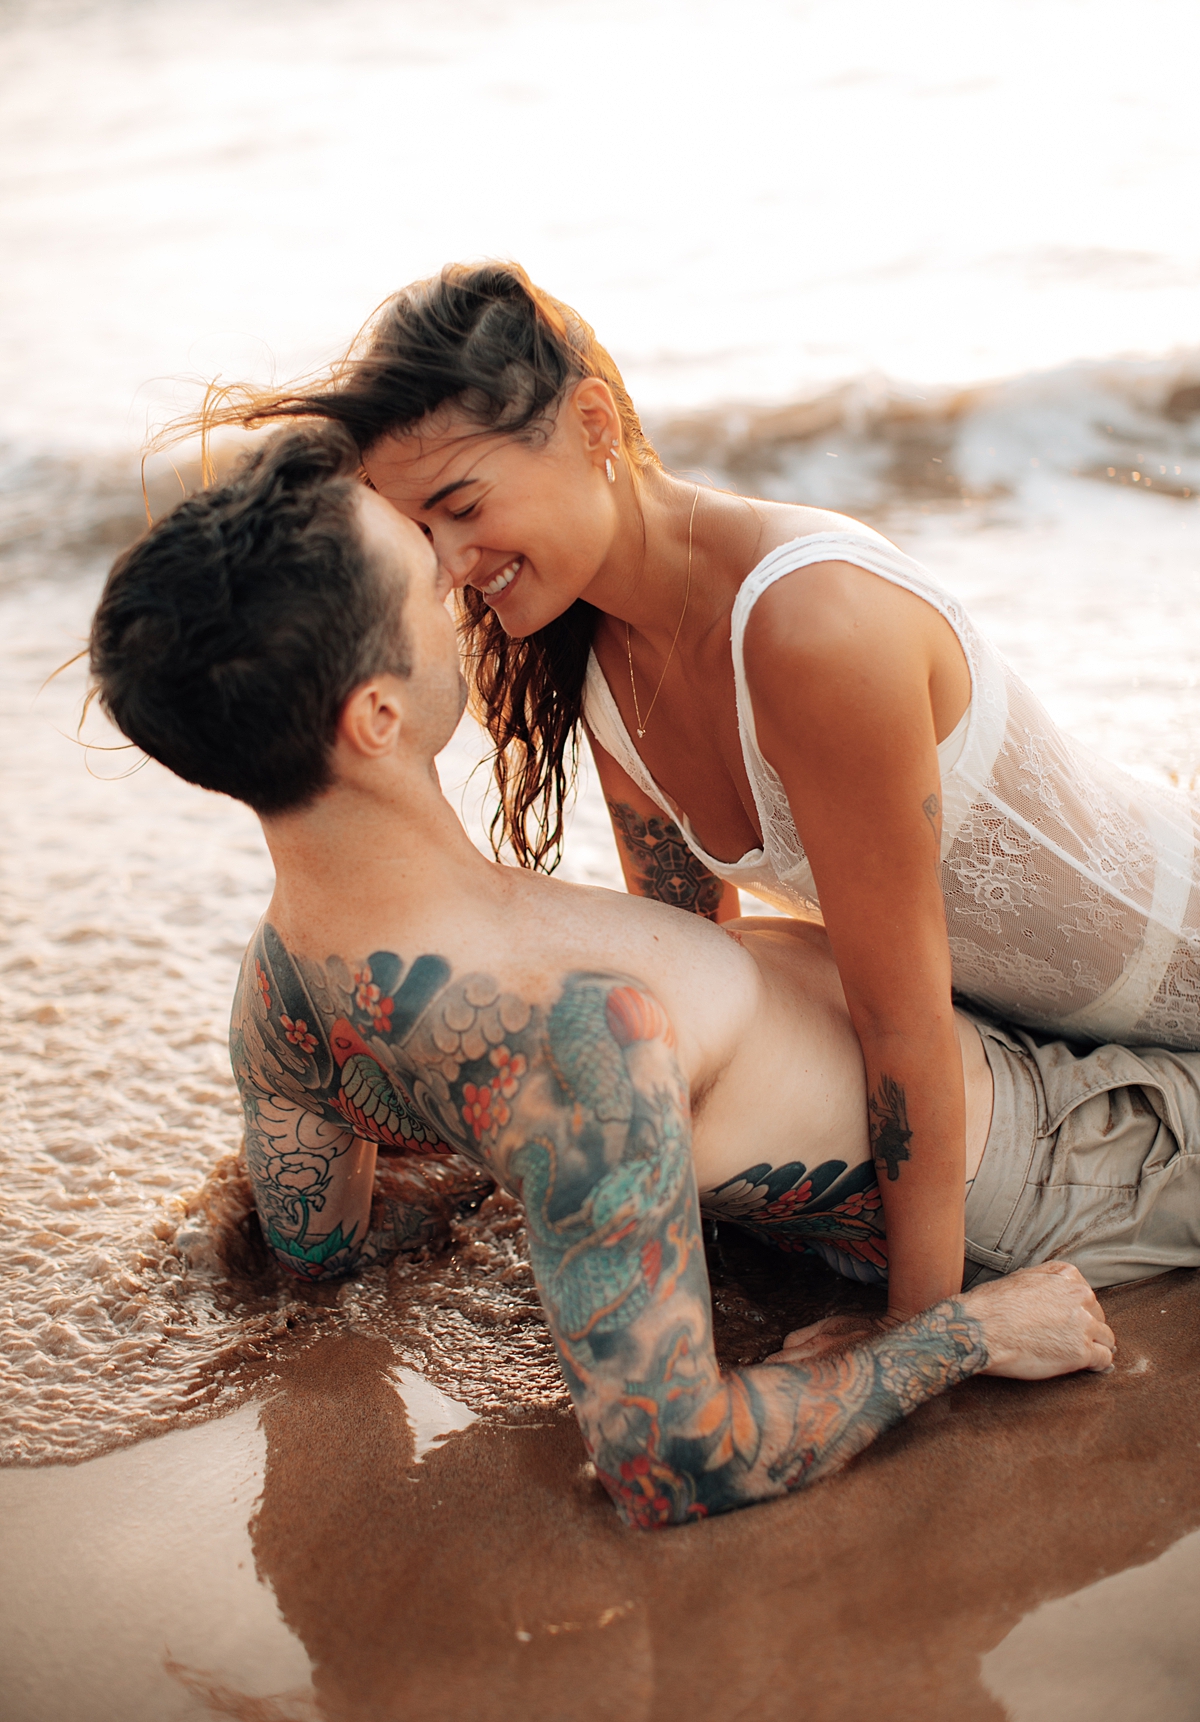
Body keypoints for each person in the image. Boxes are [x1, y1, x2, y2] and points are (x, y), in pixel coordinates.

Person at [91, 424, 1200, 1526]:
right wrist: (960, 1333)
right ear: (376, 717)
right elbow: (672, 1464)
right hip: (1071, 1161)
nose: (458, 581)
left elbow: (316, 1254)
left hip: (963, 1075)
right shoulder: (576, 1040)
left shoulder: (279, 1000)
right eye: (425, 586)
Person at [195, 264, 1200, 1341]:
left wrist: (925, 1330)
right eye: (417, 531)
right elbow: (705, 966)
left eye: (462, 506)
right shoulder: (603, 665)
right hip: (1040, 1029)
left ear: (592, 426)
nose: (444, 565)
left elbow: (898, 1019)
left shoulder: (813, 628)